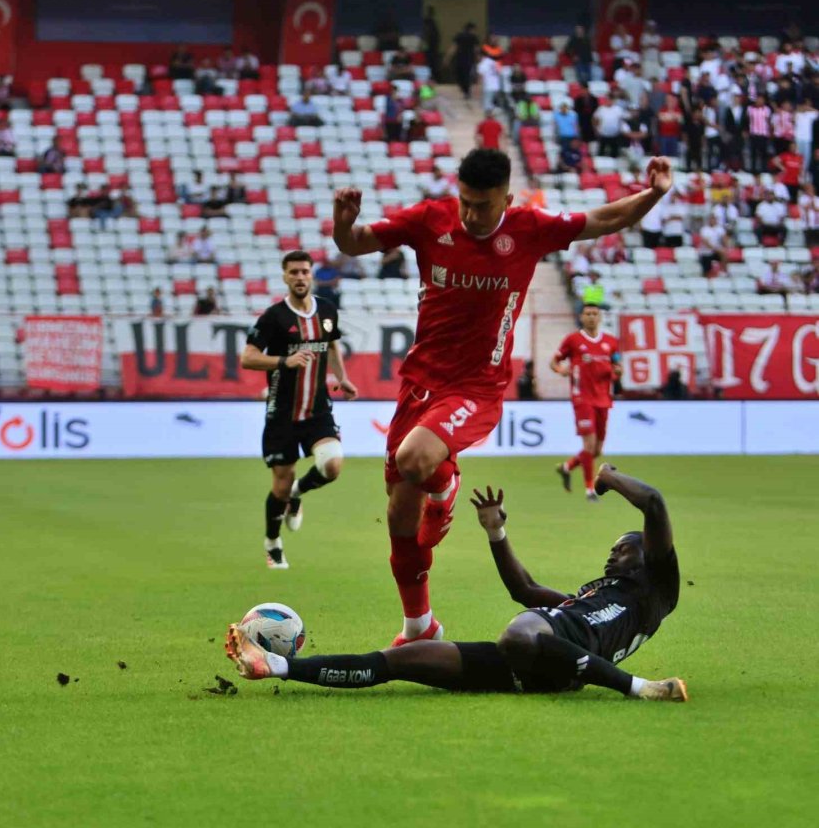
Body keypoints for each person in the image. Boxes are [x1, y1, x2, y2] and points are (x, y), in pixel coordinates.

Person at [332, 148, 673, 644]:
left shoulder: (529, 228)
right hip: (420, 381)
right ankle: (419, 625)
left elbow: (602, 219)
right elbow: (354, 243)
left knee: (414, 458)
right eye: (465, 203)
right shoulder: (430, 219)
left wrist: (653, 194)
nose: (471, 215)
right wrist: (344, 222)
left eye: (483, 206)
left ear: (507, 200)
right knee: (399, 513)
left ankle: (445, 487)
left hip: (477, 387)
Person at [226, 468, 688, 704]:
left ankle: (639, 688)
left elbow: (653, 502)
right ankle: (277, 666)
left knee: (520, 633)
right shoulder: (588, 599)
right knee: (399, 660)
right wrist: (495, 531)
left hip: (543, 649)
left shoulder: (655, 591)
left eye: (623, 549)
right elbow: (524, 589)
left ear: (649, 556)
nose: (612, 556)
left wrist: (606, 476)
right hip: (526, 668)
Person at [241, 250, 358, 569]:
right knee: (278, 486)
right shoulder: (274, 317)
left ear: (311, 275)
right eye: (293, 272)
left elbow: (331, 344)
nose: (300, 277)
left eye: (304, 271)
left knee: (332, 465)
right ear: (285, 277)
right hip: (282, 414)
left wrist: (342, 378)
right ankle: (272, 543)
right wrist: (284, 361)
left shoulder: (327, 310)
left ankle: (298, 492)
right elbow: (248, 357)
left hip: (318, 410)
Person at [552, 304, 621, 502]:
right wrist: (561, 370)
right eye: (587, 314)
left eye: (594, 314)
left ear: (600, 317)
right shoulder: (573, 340)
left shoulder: (611, 342)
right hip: (582, 398)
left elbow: (617, 365)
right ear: (581, 317)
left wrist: (618, 370)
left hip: (603, 399)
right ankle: (590, 490)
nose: (591, 317)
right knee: (589, 446)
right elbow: (554, 362)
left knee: (597, 450)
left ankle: (567, 467)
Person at [446, 23, 480, 102]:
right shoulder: (473, 37)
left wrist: (447, 58)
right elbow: (476, 49)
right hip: (469, 59)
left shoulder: (459, 36)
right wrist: (478, 59)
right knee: (467, 75)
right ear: (472, 29)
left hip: (459, 58)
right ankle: (466, 91)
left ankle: (464, 89)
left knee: (459, 74)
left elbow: (453, 47)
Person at [422, 6, 441, 82]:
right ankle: (431, 79)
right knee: (430, 64)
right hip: (430, 49)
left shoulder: (431, 24)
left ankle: (433, 78)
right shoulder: (428, 23)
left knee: (433, 64)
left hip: (432, 48)